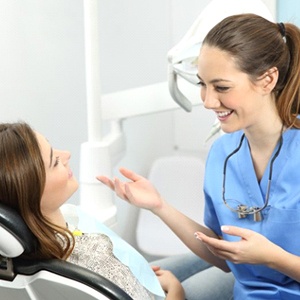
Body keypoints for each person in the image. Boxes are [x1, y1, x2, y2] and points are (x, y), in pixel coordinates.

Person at [98, 13, 300, 299]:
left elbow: (257, 258)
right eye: (202, 85)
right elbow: (225, 257)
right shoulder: (223, 153)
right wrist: (158, 205)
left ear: (267, 79)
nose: (207, 101)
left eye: (221, 87)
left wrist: (272, 257)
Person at [0, 122, 185, 300]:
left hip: (131, 278)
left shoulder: (18, 259)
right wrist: (176, 291)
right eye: (55, 161)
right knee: (212, 267)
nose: (66, 155)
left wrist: (127, 273)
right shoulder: (95, 258)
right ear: (32, 192)